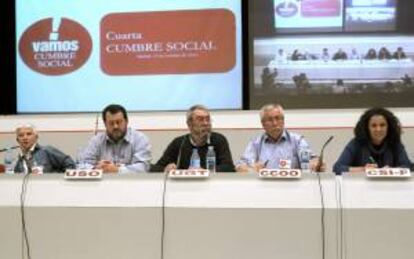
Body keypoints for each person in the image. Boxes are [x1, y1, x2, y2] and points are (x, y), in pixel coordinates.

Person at [236, 104, 324, 172]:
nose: (275, 123)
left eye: (278, 118)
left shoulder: (297, 140)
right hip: (264, 188)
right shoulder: (255, 143)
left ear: (283, 120)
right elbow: (240, 167)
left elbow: (310, 160)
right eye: (270, 120)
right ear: (263, 123)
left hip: (293, 187)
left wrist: (315, 164)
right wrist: (251, 169)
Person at [151, 105, 235, 172]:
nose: (206, 123)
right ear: (189, 124)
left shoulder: (218, 140)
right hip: (183, 188)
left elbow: (229, 167)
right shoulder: (179, 143)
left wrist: (205, 171)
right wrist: (165, 169)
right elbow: (155, 168)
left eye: (208, 119)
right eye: (200, 119)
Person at [333, 108, 412, 175]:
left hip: (389, 188)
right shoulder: (356, 143)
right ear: (367, 128)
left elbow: (408, 166)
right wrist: (363, 169)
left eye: (382, 125)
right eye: (374, 125)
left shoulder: (394, 142)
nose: (378, 129)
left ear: (389, 127)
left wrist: (390, 171)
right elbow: (337, 168)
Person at [82, 104, 152, 173]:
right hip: (103, 183)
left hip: (131, 183)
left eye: (119, 122)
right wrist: (95, 169)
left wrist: (118, 170)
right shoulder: (96, 141)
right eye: (111, 123)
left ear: (126, 121)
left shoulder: (139, 139)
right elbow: (83, 164)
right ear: (105, 124)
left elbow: (143, 167)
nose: (115, 126)